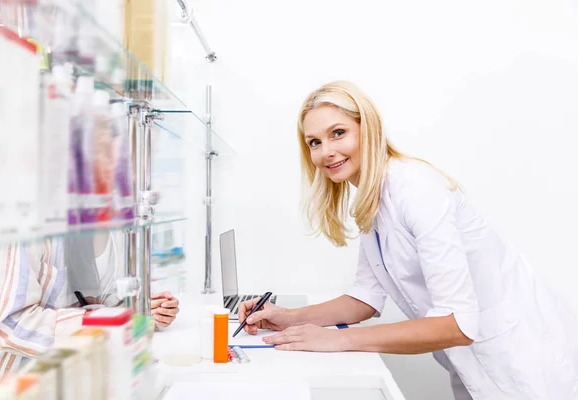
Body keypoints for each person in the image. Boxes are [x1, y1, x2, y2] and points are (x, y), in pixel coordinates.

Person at [238, 80, 578, 399]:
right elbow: (365, 298)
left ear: (367, 130)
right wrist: (291, 317)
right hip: (476, 362)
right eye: (314, 142)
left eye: (338, 133)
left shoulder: (415, 188)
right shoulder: (372, 197)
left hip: (526, 361)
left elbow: (457, 324)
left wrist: (337, 339)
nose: (326, 151)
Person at [0, 233, 179, 384]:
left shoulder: (115, 228)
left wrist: (143, 309)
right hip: (12, 379)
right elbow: (10, 324)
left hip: (77, 373)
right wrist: (109, 321)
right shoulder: (23, 227)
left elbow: (103, 298)